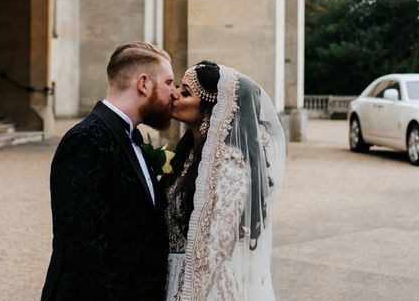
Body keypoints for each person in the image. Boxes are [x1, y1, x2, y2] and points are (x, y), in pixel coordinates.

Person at [41, 42, 175, 301]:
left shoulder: (131, 136)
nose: (174, 92)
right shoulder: (84, 141)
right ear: (144, 84)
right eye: (169, 82)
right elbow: (86, 250)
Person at [162, 61, 286, 301]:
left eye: (185, 93)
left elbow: (215, 250)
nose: (174, 94)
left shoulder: (230, 163)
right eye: (178, 87)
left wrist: (187, 294)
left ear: (210, 110)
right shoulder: (188, 154)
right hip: (173, 275)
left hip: (203, 288)